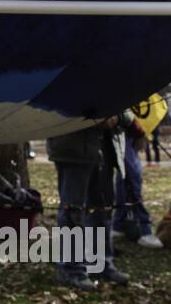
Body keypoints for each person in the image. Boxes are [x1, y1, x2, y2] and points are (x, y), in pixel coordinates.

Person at [46, 114, 132, 290]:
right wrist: (93, 116)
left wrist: (117, 117)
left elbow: (126, 107)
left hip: (103, 148)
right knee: (72, 211)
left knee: (102, 210)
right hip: (72, 147)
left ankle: (100, 263)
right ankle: (71, 269)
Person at [114, 118, 161, 248]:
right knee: (131, 177)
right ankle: (143, 228)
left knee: (123, 178)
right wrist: (139, 129)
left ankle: (118, 223)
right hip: (123, 129)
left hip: (128, 130)